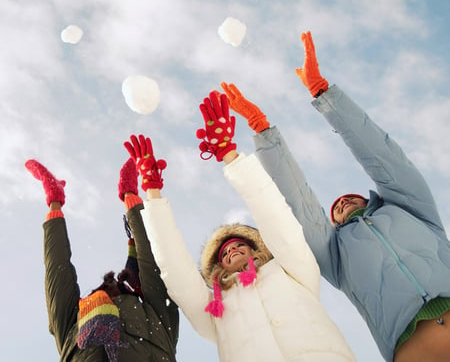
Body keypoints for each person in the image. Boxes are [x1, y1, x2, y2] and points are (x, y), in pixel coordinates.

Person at [220, 31, 450, 362]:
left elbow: (382, 155)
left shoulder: (411, 209)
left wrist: (324, 94)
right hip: (413, 348)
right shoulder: (335, 256)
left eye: (348, 199)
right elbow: (299, 203)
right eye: (335, 209)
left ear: (370, 200)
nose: (340, 204)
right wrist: (263, 132)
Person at [123, 93, 356, 362]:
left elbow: (275, 218)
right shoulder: (215, 308)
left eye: (238, 245)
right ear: (217, 267)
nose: (231, 249)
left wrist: (229, 154)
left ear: (257, 249)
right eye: (224, 252)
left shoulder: (293, 271)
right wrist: (152, 192)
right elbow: (176, 272)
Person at [25, 157, 179, 362]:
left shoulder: (154, 313)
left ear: (133, 291)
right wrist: (54, 202)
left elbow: (152, 262)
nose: (112, 288)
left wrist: (131, 197)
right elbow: (57, 272)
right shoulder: (76, 321)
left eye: (115, 285)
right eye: (107, 287)